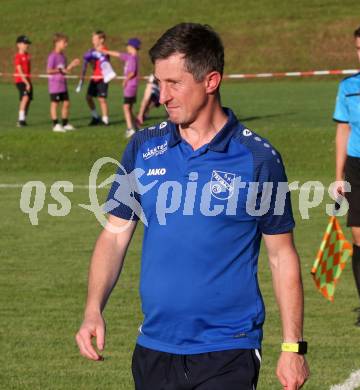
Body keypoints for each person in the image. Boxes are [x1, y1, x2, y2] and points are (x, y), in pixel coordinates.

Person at [75, 23, 310, 389]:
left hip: (228, 349)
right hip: (153, 348)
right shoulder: (143, 146)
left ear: (211, 81)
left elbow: (282, 256)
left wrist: (293, 347)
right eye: (158, 83)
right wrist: (93, 309)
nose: (161, 96)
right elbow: (115, 235)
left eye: (174, 83)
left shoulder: (259, 159)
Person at [333, 23, 360, 327]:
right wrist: (338, 176)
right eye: (359, 48)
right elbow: (342, 130)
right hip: (357, 167)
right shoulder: (348, 87)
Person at [102, 38, 141, 138]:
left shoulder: (132, 58)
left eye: (128, 45)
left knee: (126, 107)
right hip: (132, 85)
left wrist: (125, 80)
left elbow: (132, 73)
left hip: (130, 85)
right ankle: (135, 126)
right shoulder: (130, 57)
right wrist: (106, 52)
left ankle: (129, 129)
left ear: (132, 47)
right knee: (129, 107)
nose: (126, 47)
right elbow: (118, 54)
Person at [46, 33, 80, 132]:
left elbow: (66, 71)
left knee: (66, 103)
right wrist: (60, 70)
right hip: (54, 85)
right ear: (57, 43)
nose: (66, 44)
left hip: (63, 85)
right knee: (55, 104)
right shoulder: (52, 56)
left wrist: (72, 65)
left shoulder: (63, 57)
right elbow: (48, 70)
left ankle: (65, 124)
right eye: (64, 42)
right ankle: (55, 124)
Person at [80, 31, 112, 126]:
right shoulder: (93, 51)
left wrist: (95, 53)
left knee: (101, 99)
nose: (93, 41)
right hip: (95, 77)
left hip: (102, 77)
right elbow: (94, 66)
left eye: (95, 39)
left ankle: (105, 120)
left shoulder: (104, 50)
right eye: (92, 39)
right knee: (88, 97)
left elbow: (105, 62)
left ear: (101, 40)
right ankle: (95, 117)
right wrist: (89, 59)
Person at [14, 35, 32, 127]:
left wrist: (29, 81)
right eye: (25, 43)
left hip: (28, 80)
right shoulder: (18, 56)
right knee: (25, 98)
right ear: (19, 45)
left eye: (27, 43)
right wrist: (26, 82)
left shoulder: (28, 55)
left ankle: (23, 119)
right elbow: (20, 71)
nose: (27, 45)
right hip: (21, 80)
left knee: (28, 100)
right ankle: (20, 120)